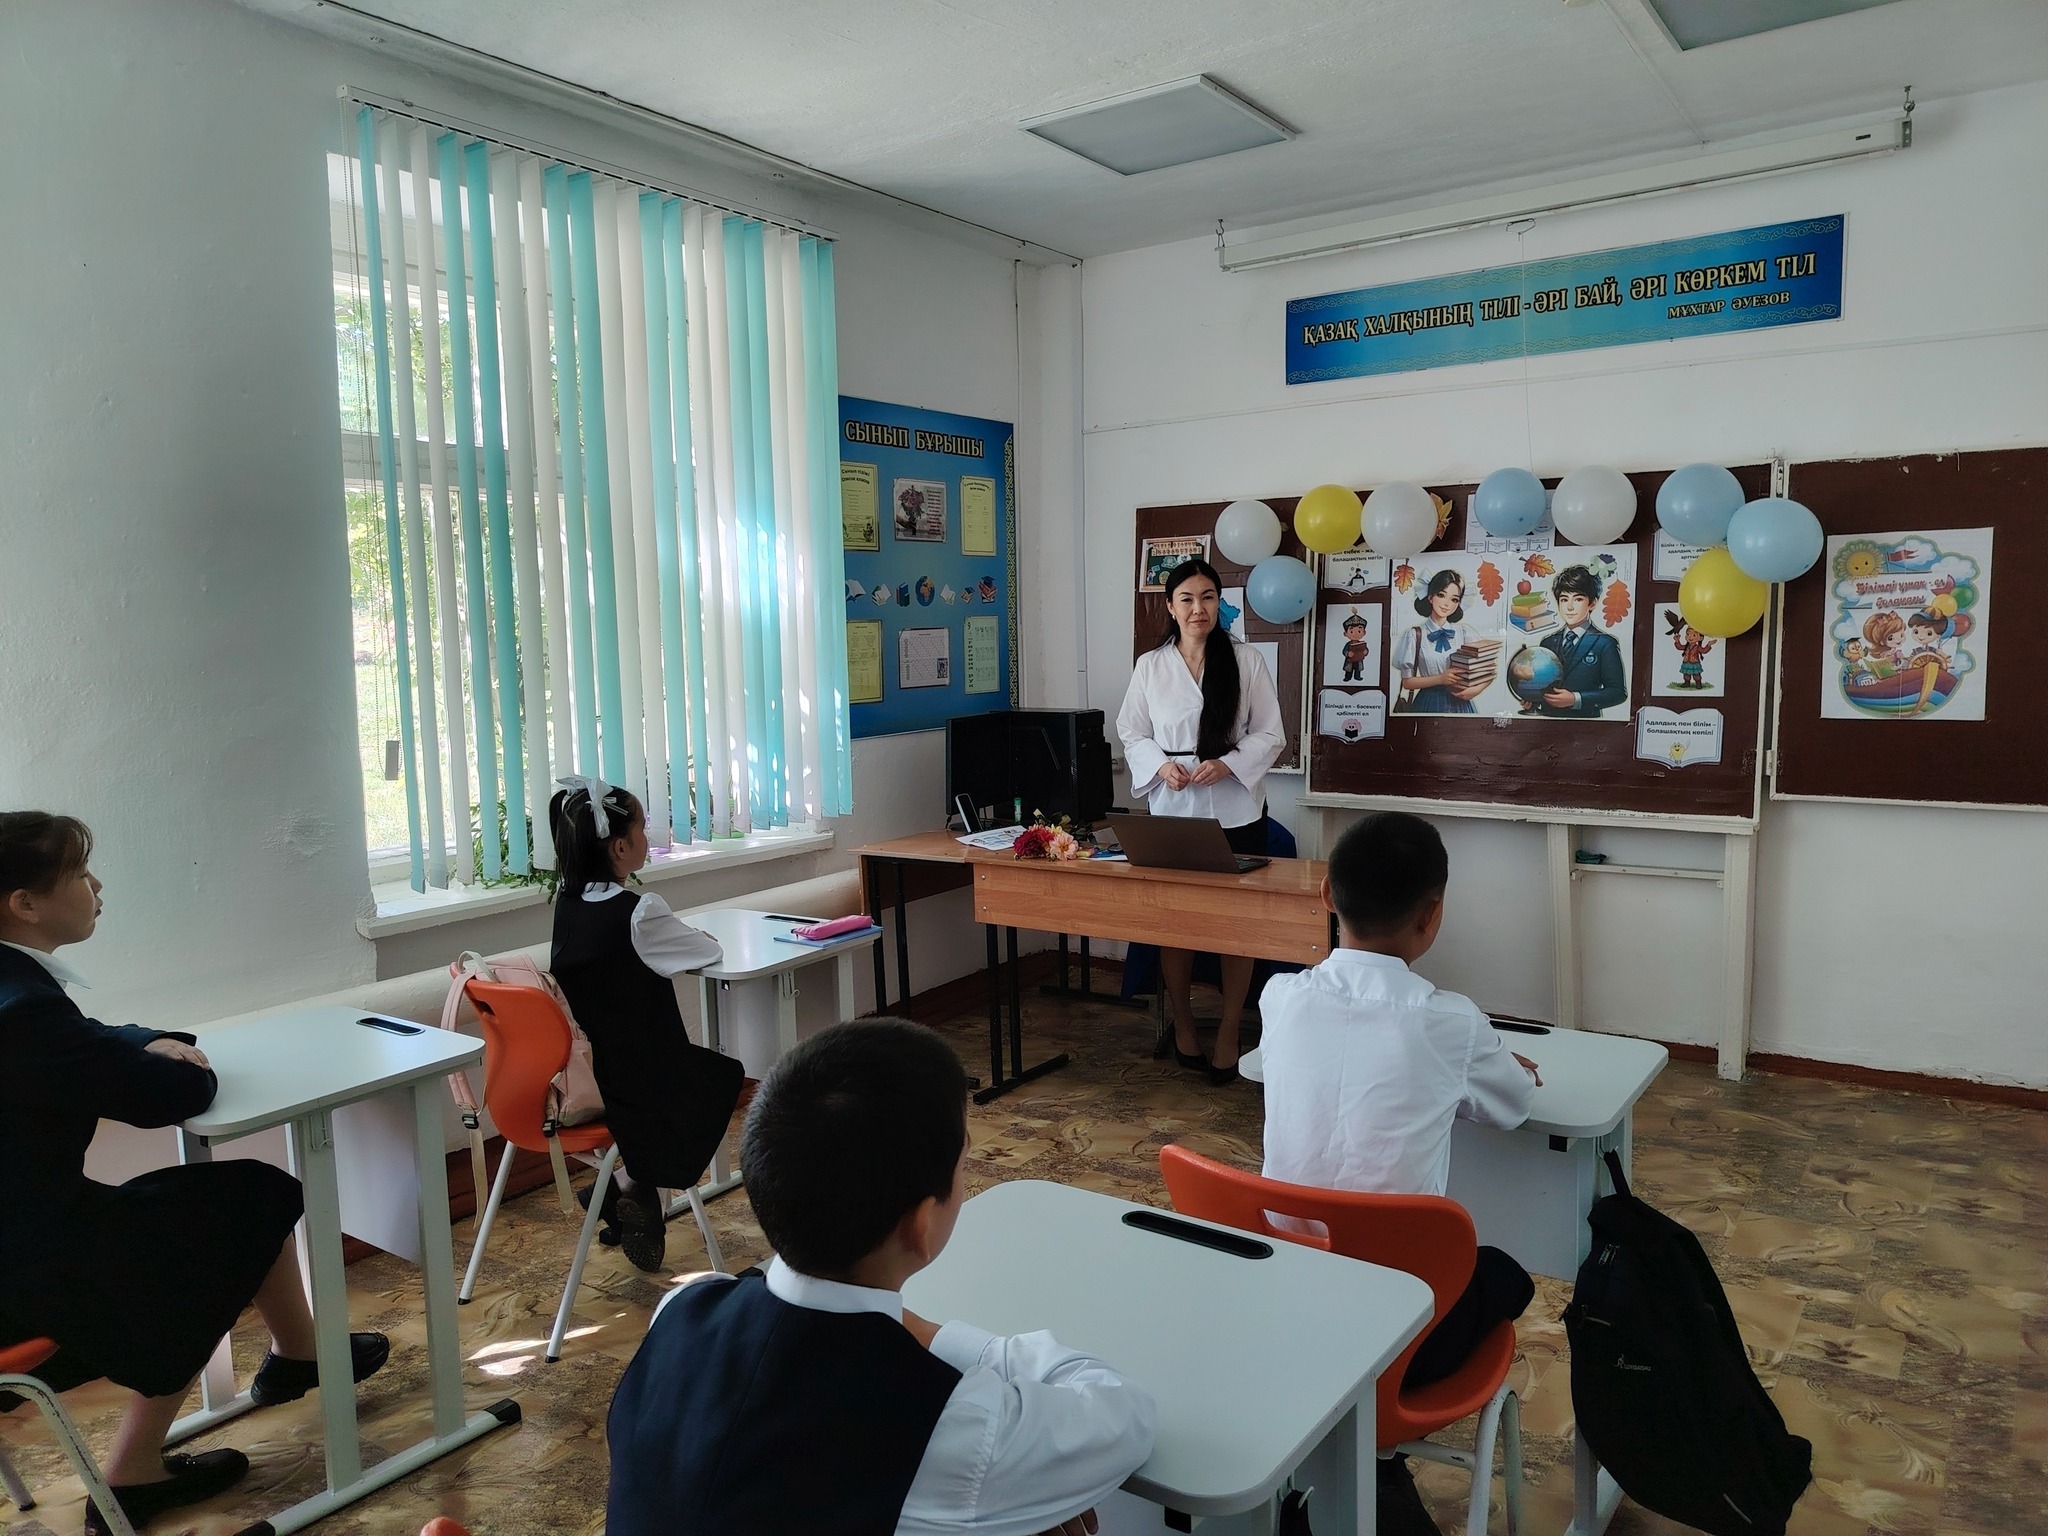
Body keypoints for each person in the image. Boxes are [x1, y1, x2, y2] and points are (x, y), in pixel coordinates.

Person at [607, 1019, 1155, 1536]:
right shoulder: (948, 1423)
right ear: (921, 1224)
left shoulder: (683, 1309)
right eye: (965, 1164)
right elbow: (1122, 1415)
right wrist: (934, 1336)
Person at [0, 812, 389, 1536]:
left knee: (239, 1194)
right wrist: (187, 1065)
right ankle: (134, 1473)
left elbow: (87, 1041)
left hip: (28, 1232)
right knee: (218, 1226)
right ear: (24, 903)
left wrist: (148, 1039)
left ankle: (300, 1355)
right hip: (26, 1275)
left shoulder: (17, 992)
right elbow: (167, 1099)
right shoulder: (22, 1009)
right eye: (79, 874)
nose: (97, 886)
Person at [1256, 811, 1540, 1530]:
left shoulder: (1280, 998)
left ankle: (1358, 1460)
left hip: (1279, 1307)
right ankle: (1376, 1457)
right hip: (1397, 1333)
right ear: (1432, 914)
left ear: (1327, 894)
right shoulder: (1451, 1022)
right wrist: (1489, 1064)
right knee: (1507, 1276)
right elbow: (1511, 1107)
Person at [548, 776, 730, 1274]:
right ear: (621, 847)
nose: (648, 837)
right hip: (651, 1078)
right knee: (721, 1079)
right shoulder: (640, 912)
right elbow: (706, 950)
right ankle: (629, 1182)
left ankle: (628, 1186)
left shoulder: (568, 905)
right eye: (643, 828)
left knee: (678, 1096)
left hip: (599, 1075)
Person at [1116, 558, 1286, 1084]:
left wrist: (1229, 764)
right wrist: (1159, 765)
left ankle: (1231, 1027)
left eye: (1208, 597)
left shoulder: (1246, 660)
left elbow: (1270, 733)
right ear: (1170, 607)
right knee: (1177, 924)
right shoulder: (1151, 666)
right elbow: (1132, 731)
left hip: (1237, 811)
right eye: (1187, 599)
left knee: (1237, 927)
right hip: (1174, 814)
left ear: (1219, 604)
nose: (1198, 609)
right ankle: (1184, 1024)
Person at [1535, 565, 1627, 718]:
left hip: (1585, 723)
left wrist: (1576, 699)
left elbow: (1617, 693)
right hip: (1547, 722)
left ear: (1592, 603)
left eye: (1578, 599)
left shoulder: (1605, 643)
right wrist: (1531, 698)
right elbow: (1541, 685)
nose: (1570, 607)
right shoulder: (1548, 642)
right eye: (1564, 600)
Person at [1394, 570, 1484, 714]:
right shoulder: (1414, 635)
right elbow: (1407, 682)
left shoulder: (1464, 633)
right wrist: (1440, 679)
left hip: (1461, 704)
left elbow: (1487, 669)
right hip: (1428, 702)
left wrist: (1474, 690)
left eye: (1454, 600)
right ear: (1430, 597)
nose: (1447, 604)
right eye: (1441, 595)